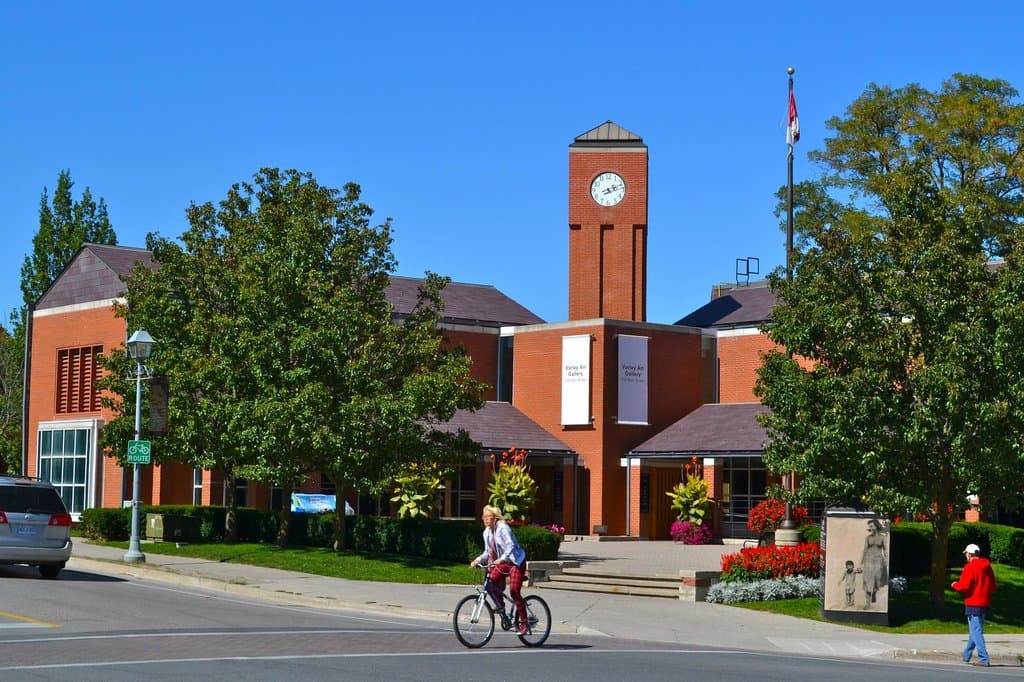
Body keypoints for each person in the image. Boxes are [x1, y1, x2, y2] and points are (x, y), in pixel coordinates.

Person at [470, 505, 529, 634]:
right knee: (490, 583)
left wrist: (502, 559)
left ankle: (524, 622)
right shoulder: (486, 532)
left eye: (487, 517)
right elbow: (487, 552)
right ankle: (502, 609)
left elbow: (511, 546)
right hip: (503, 561)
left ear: (494, 517)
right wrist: (478, 560)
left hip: (515, 561)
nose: (485, 519)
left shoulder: (502, 528)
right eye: (483, 517)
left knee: (514, 591)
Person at [951, 543, 998, 667]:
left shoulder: (970, 567)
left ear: (970, 554)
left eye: (966, 553)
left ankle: (983, 658)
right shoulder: (988, 567)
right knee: (975, 630)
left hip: (973, 602)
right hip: (984, 602)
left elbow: (964, 586)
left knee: (976, 631)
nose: (966, 555)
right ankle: (966, 655)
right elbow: (993, 586)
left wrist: (955, 585)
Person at [860, 519, 888, 608]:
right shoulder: (868, 538)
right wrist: (861, 564)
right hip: (868, 561)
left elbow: (885, 550)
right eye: (869, 526)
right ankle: (867, 604)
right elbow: (864, 550)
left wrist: (887, 560)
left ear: (876, 526)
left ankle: (874, 592)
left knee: (876, 581)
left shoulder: (883, 537)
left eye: (871, 526)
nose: (870, 528)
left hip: (878, 562)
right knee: (867, 582)